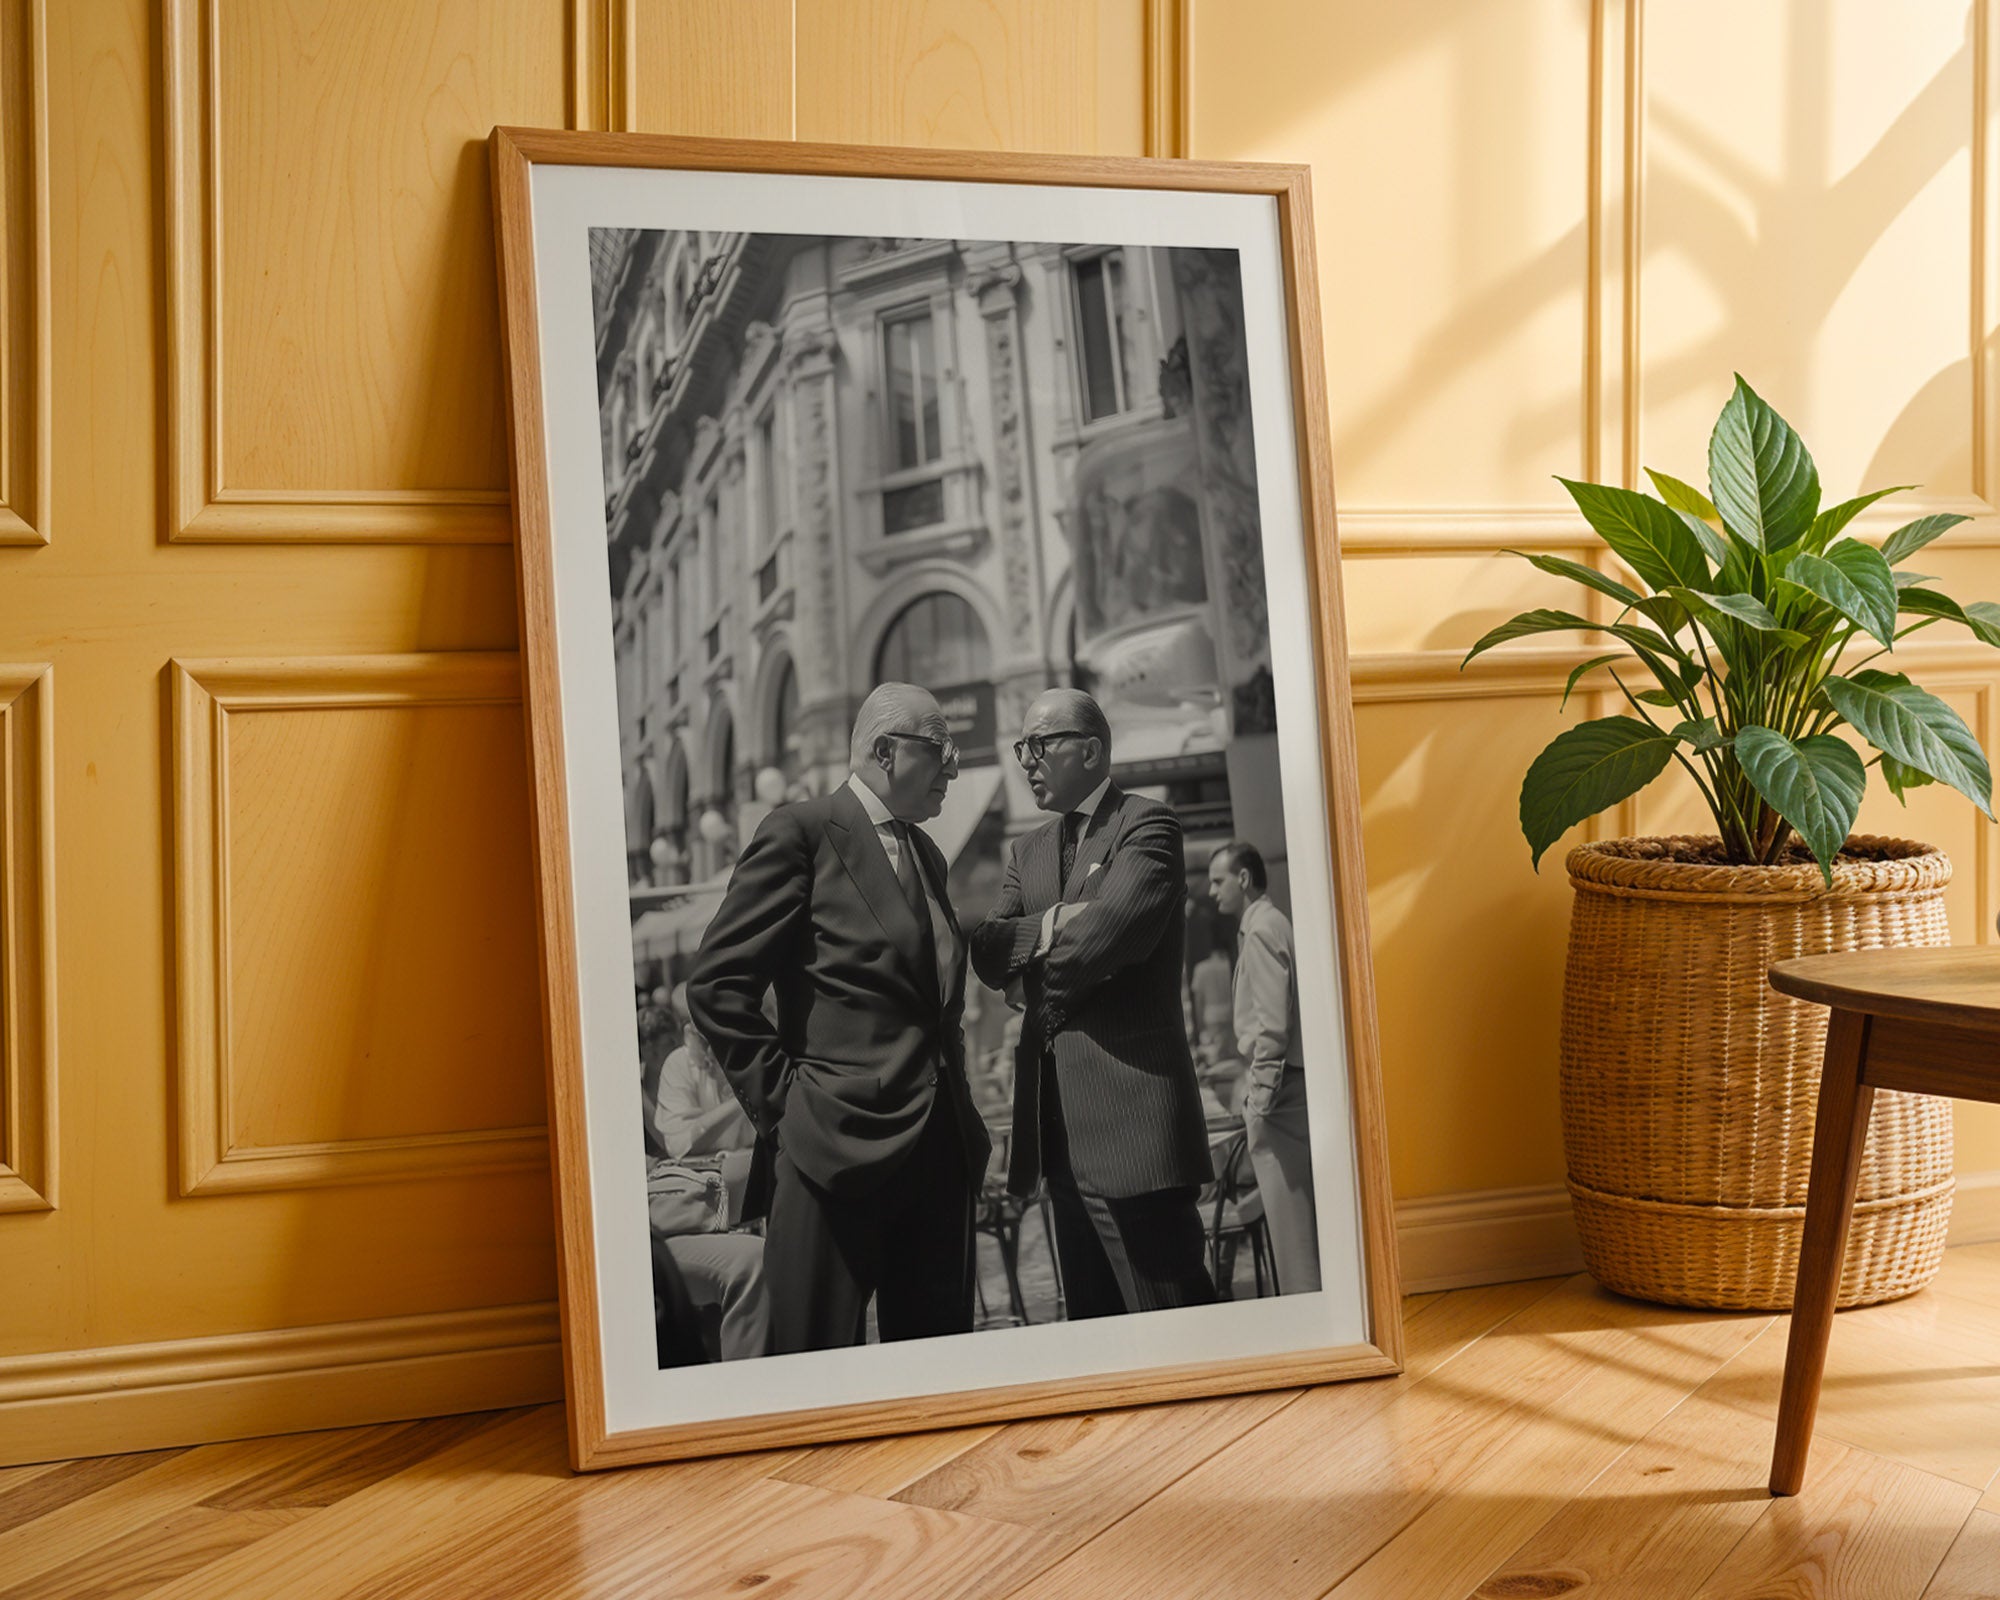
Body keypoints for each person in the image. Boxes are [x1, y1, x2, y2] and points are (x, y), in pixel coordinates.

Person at [687, 683, 991, 1353]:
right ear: (884, 751)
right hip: (830, 1152)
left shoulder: (928, 854)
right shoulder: (802, 832)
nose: (954, 765)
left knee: (940, 1372)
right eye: (940, 747)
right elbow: (717, 985)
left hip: (938, 1155)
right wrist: (790, 1108)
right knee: (819, 1374)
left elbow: (934, 1005)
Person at [970, 688, 1216, 1318]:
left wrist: (1031, 975)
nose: (1026, 760)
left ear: (1090, 749)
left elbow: (1109, 936)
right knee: (1095, 1332)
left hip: (1136, 1135)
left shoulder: (1147, 825)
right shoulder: (1027, 851)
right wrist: (1057, 921)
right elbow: (988, 949)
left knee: (1176, 1329)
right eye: (1022, 747)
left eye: (1039, 744)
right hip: (1058, 1143)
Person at [1208, 841, 1320, 1294]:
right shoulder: (1270, 924)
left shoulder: (1260, 931)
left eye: (1218, 881)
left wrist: (1261, 1096)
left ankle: (1309, 1317)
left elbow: (1273, 1024)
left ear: (1243, 879)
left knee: (1292, 1231)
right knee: (1297, 1225)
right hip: (1286, 1087)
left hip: (1280, 1093)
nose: (1211, 891)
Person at [635, 1003, 770, 1362]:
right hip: (662, 1206)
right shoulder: (676, 1066)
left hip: (694, 1192)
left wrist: (709, 1123)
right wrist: (741, 1103)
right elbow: (679, 1142)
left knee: (760, 1245)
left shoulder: (752, 1053)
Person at [649, 984, 755, 1159]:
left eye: (723, 1040)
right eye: (704, 1040)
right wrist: (742, 1102)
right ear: (690, 1032)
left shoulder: (755, 1058)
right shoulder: (679, 1062)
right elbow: (679, 1145)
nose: (712, 1051)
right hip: (702, 1170)